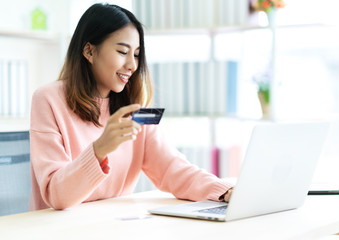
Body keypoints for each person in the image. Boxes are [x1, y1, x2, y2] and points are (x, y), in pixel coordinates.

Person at [29, 3, 233, 211]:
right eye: (122, 51)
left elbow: (173, 169)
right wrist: (99, 149)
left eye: (136, 54)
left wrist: (224, 191)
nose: (132, 65)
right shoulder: (47, 99)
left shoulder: (135, 109)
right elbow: (56, 195)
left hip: (112, 226)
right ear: (89, 51)